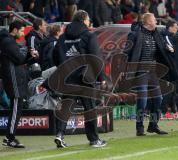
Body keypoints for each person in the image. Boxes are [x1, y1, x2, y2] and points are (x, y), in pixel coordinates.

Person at [52, 10, 107, 148]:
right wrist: (101, 77)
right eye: (88, 20)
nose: (89, 22)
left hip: (68, 77)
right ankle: (94, 140)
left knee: (66, 107)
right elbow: (96, 57)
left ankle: (60, 134)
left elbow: (54, 56)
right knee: (90, 109)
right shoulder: (89, 35)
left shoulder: (62, 37)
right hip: (84, 78)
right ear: (84, 20)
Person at [124, 13, 172, 136]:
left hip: (152, 71)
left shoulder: (156, 34)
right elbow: (126, 52)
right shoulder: (135, 34)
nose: (156, 21)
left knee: (158, 99)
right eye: (154, 20)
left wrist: (167, 48)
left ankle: (153, 125)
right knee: (143, 100)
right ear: (148, 22)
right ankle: (139, 127)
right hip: (140, 71)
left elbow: (161, 47)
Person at [0, 20, 39, 148]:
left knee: (17, 108)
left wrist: (30, 55)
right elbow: (19, 59)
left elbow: (20, 60)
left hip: (15, 79)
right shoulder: (7, 42)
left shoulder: (9, 41)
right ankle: (10, 138)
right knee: (16, 108)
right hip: (13, 80)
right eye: (21, 30)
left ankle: (9, 137)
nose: (22, 34)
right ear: (15, 30)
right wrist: (29, 53)